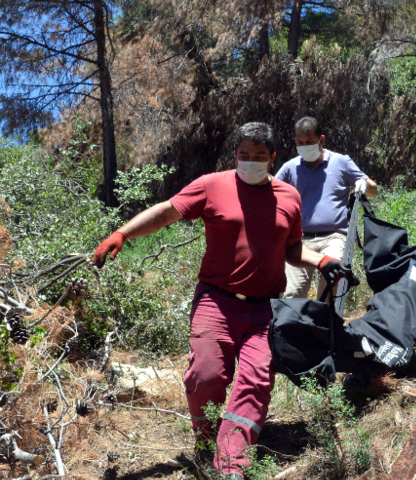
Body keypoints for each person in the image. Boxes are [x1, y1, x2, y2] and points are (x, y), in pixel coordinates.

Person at [91, 123, 355, 479]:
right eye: (243, 156)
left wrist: (323, 261)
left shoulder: (288, 196)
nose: (250, 162)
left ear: (273, 158)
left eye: (259, 157)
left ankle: (233, 465)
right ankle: (205, 441)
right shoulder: (212, 185)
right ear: (235, 155)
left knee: (256, 381)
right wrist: (122, 233)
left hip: (264, 310)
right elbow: (167, 211)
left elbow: (291, 248)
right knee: (205, 376)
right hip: (216, 302)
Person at [275, 116, 378, 300]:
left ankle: (326, 327)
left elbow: (373, 190)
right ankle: (294, 327)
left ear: (321, 140)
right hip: (299, 240)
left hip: (334, 237)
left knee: (332, 286)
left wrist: (364, 185)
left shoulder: (341, 162)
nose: (304, 146)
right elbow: (270, 193)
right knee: (292, 295)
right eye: (300, 142)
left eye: (310, 142)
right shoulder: (290, 168)